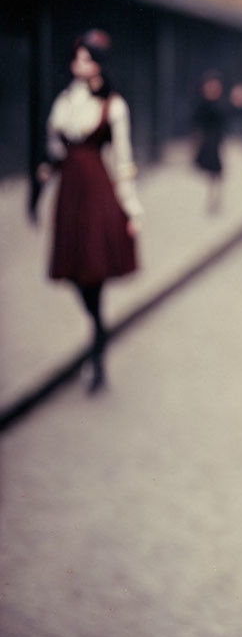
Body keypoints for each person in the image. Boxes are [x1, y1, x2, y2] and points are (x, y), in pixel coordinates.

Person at [37, 29, 141, 392]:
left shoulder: (113, 106)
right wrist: (45, 175)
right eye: (76, 57)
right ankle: (97, 331)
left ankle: (97, 352)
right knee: (76, 272)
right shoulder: (66, 101)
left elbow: (124, 160)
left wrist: (131, 209)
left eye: (84, 58)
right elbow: (55, 146)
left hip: (97, 194)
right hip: (70, 195)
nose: (76, 64)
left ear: (97, 63)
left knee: (93, 271)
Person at [193, 70, 227, 213]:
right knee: (207, 171)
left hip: (215, 140)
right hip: (207, 141)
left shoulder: (219, 104)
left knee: (215, 172)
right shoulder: (203, 105)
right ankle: (207, 200)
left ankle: (213, 199)